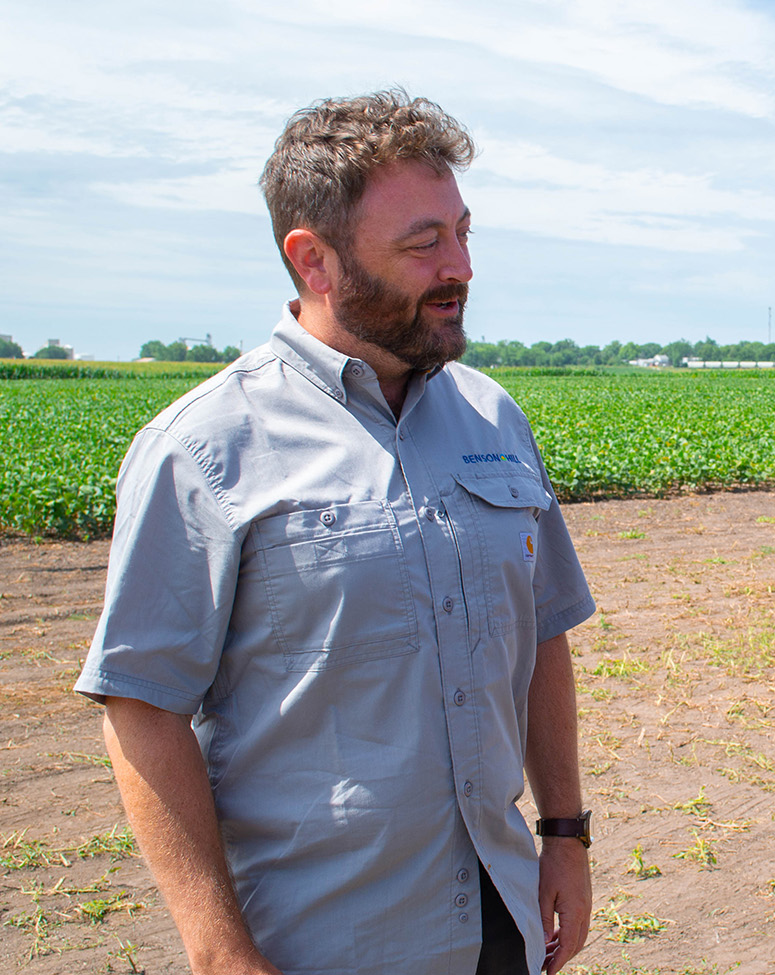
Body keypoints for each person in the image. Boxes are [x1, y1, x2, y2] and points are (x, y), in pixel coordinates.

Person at [74, 90, 597, 975]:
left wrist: (564, 832)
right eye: (424, 242)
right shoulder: (203, 450)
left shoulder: (492, 417)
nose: (460, 264)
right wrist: (220, 954)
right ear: (313, 260)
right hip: (324, 942)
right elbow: (142, 707)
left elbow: (543, 634)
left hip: (500, 921)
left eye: (464, 232)